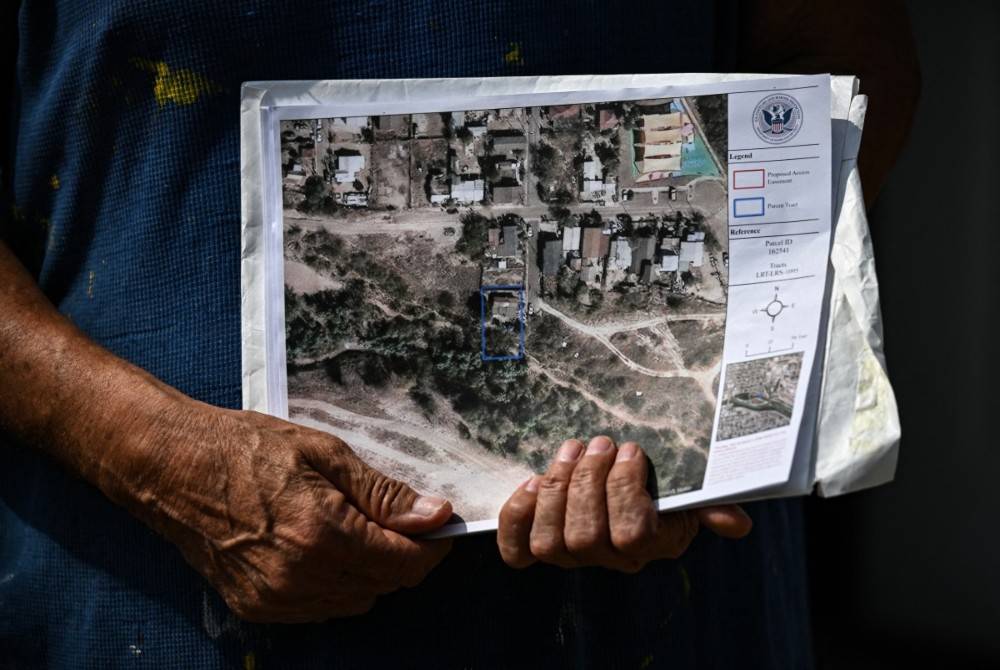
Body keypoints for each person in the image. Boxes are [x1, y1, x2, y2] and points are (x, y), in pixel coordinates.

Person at [0, 1, 918, 667]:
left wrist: (697, 423)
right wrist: (158, 459)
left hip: (650, 604)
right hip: (146, 591)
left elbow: (847, 71)